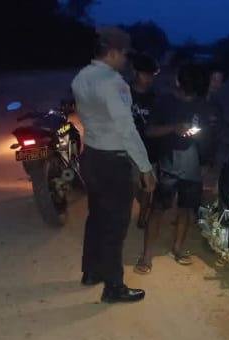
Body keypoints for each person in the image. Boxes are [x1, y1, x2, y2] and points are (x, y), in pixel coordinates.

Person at [71, 26, 156, 303]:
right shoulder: (113, 82)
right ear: (113, 52)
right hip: (113, 162)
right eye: (124, 54)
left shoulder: (82, 77)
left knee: (96, 217)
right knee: (115, 225)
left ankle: (91, 271)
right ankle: (113, 287)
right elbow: (126, 128)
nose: (126, 60)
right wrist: (145, 167)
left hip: (92, 156)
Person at [134, 64, 212, 274]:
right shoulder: (165, 102)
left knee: (186, 209)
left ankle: (177, 249)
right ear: (179, 82)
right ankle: (146, 256)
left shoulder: (203, 106)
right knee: (158, 209)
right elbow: (149, 131)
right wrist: (174, 128)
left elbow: (210, 135)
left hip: (193, 167)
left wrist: (207, 162)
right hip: (168, 164)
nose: (189, 94)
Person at [129, 53, 161, 229]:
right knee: (133, 186)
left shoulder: (155, 97)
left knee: (148, 186)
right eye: (145, 74)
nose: (148, 78)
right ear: (135, 72)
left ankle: (142, 217)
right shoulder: (124, 93)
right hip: (128, 148)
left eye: (151, 75)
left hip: (150, 149)